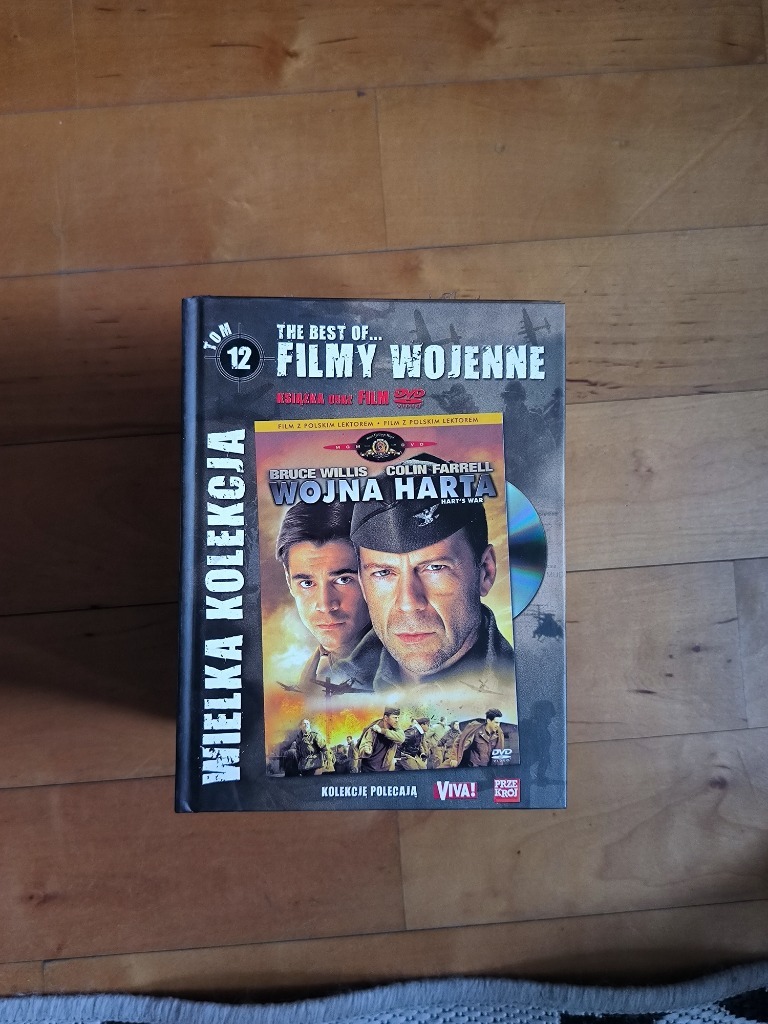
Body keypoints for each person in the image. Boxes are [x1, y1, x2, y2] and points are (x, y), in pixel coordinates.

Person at [350, 455, 515, 690]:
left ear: (485, 572)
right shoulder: (328, 686)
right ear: (363, 584)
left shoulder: (526, 687)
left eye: (435, 568)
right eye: (383, 573)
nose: (408, 603)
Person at [276, 500, 377, 690]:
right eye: (307, 583)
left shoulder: (402, 673)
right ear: (289, 582)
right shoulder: (315, 667)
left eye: (343, 580)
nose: (325, 605)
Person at [357, 708, 405, 772]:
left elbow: (401, 738)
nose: (397, 720)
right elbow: (364, 746)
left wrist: (382, 731)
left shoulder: (395, 728)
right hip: (370, 769)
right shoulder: (372, 730)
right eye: (395, 717)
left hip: (385, 768)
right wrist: (366, 751)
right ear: (386, 718)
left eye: (398, 718)